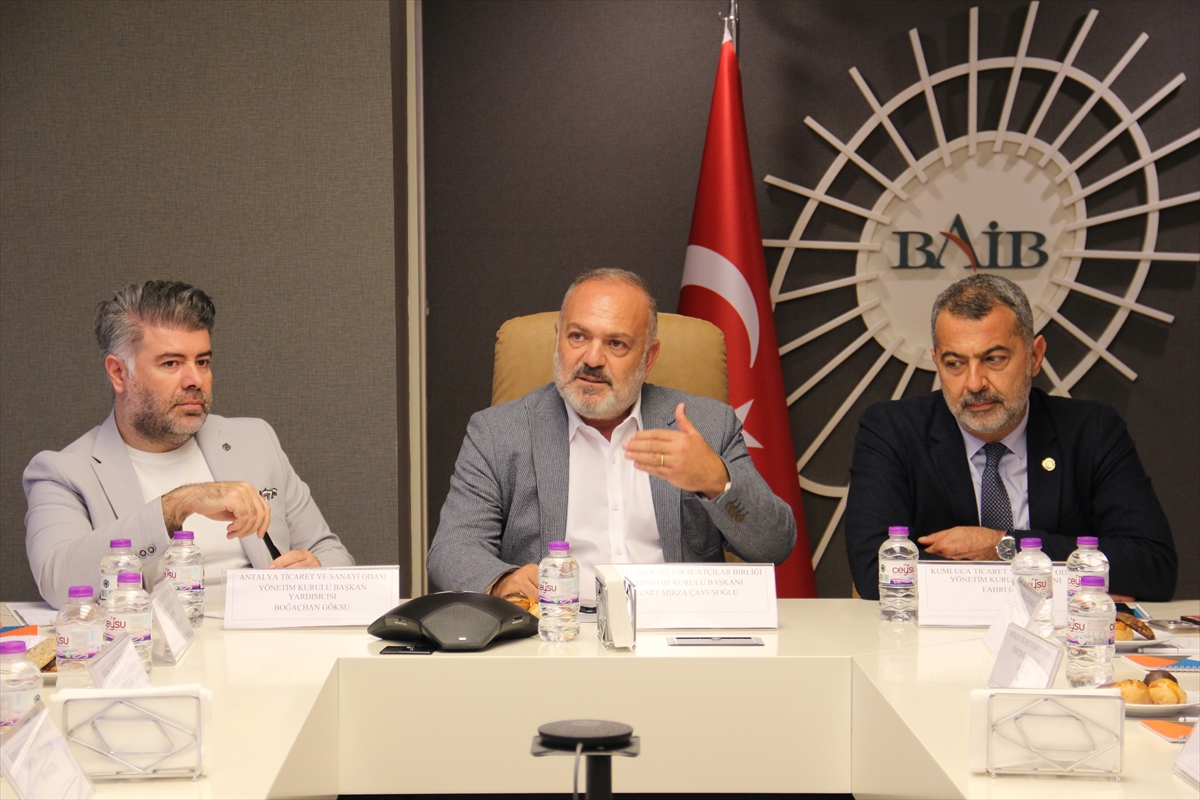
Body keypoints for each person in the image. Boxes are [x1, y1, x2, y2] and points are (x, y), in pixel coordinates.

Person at [427, 269, 796, 604]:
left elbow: (774, 545)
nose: (592, 359)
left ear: (648, 357)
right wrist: (502, 580)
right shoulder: (498, 433)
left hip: (675, 634)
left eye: (616, 344)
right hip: (555, 635)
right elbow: (452, 549)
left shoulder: (707, 426)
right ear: (557, 339)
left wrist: (717, 481)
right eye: (577, 336)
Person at [24, 281, 354, 610]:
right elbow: (59, 583)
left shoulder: (255, 440)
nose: (195, 379)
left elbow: (333, 555)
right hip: (152, 641)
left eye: (202, 362)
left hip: (264, 635)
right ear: (119, 373)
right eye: (171, 363)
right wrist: (180, 503)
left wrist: (316, 574)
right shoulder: (64, 472)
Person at [845, 274, 1176, 601]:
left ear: (1035, 356)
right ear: (936, 362)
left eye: (994, 359)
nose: (974, 383)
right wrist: (1062, 583)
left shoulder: (1092, 431)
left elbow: (1153, 565)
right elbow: (875, 570)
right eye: (955, 363)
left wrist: (1003, 546)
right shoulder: (893, 431)